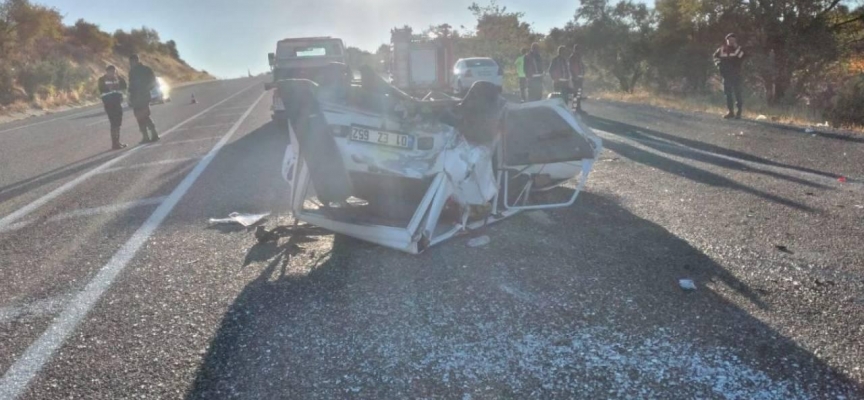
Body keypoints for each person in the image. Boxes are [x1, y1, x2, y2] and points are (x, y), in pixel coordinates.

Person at [128, 54, 160, 143]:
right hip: (135, 97)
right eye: (130, 62)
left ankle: (154, 134)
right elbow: (131, 85)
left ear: (137, 60)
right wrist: (130, 97)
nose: (131, 63)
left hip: (144, 96)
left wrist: (147, 89)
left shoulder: (146, 70)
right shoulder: (131, 72)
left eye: (132, 61)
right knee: (139, 117)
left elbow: (153, 81)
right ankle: (145, 136)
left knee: (145, 116)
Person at [713, 33, 745, 119]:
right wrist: (718, 64)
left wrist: (736, 47)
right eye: (729, 40)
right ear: (726, 40)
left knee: (738, 93)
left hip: (737, 75)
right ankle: (730, 112)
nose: (730, 42)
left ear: (735, 41)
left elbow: (742, 56)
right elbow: (715, 57)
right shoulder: (722, 49)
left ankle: (739, 112)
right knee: (728, 94)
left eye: (732, 40)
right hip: (726, 75)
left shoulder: (738, 49)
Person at [97, 65, 127, 150]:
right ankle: (115, 144)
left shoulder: (117, 79)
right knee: (114, 123)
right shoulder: (102, 80)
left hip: (117, 103)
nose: (112, 73)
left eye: (114, 71)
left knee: (118, 123)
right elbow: (102, 90)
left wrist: (120, 78)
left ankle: (117, 142)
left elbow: (124, 86)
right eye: (111, 71)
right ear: (107, 71)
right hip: (110, 105)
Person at [568, 43, 586, 114]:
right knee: (575, 93)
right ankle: (575, 108)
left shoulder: (579, 57)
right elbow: (570, 68)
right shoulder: (572, 57)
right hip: (575, 78)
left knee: (579, 93)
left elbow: (581, 66)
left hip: (580, 77)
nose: (579, 51)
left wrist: (583, 72)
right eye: (577, 49)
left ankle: (578, 107)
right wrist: (574, 76)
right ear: (575, 49)